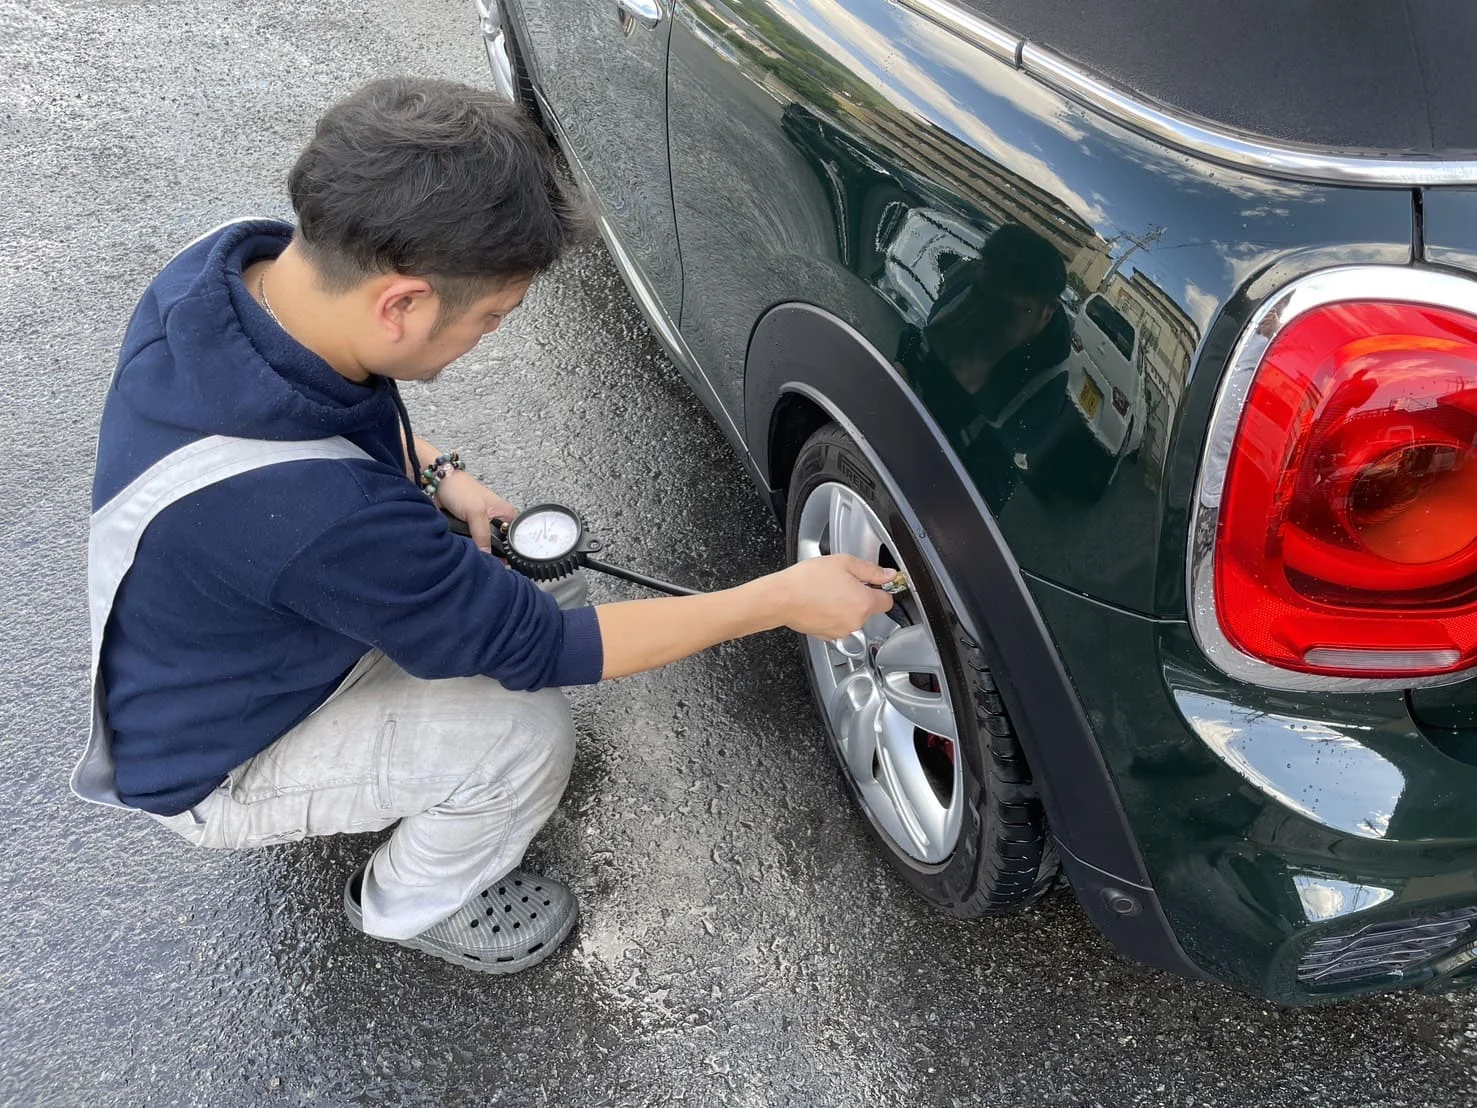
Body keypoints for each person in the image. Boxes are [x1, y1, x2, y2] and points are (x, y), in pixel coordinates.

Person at [79, 77, 895, 975]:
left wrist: (438, 474)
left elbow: (313, 434)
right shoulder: (319, 519)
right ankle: (406, 906)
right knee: (521, 738)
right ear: (401, 303)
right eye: (490, 318)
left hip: (245, 622)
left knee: (502, 585)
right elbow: (547, 649)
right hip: (224, 755)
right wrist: (775, 600)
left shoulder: (228, 273)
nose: (490, 338)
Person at [904, 222, 1074, 506]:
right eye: (983, 295)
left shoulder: (1045, 387)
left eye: (1009, 310)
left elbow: (987, 488)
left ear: (1049, 309)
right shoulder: (966, 285)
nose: (987, 318)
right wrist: (903, 364)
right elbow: (916, 336)